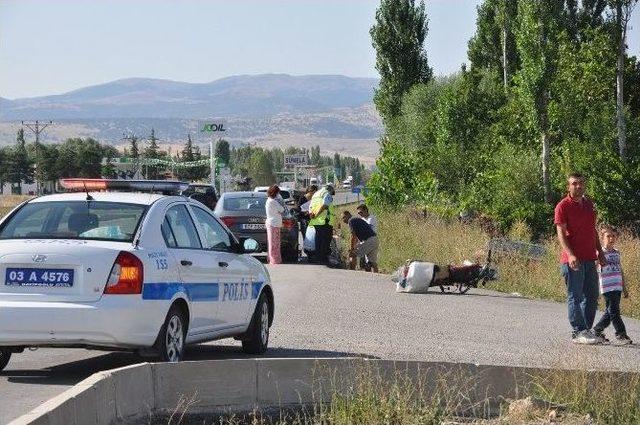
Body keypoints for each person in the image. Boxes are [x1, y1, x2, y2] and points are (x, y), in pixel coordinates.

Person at [554, 172, 607, 345]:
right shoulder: (562, 206)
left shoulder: (589, 204)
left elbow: (593, 231)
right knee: (575, 296)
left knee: (592, 295)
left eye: (581, 183)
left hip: (590, 258)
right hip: (573, 260)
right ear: (568, 186)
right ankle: (578, 331)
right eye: (575, 183)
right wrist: (570, 254)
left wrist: (601, 252)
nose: (579, 186)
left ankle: (586, 329)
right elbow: (561, 233)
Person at [593, 225, 632, 344]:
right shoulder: (599, 253)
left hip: (617, 286)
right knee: (614, 311)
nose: (611, 238)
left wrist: (624, 287)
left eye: (613, 236)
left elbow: (620, 270)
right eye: (608, 236)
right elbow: (594, 269)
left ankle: (597, 330)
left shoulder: (617, 252)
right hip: (607, 286)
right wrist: (594, 288)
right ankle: (621, 334)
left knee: (610, 311)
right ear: (602, 238)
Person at [308, 184, 335, 264]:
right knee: (325, 240)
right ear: (330, 189)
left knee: (318, 239)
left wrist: (312, 214)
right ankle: (323, 259)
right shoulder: (327, 193)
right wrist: (317, 214)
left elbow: (310, 207)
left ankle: (318, 258)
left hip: (316, 221)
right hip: (324, 220)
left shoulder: (316, 194)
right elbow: (325, 205)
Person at [265, 185, 285, 265]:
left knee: (273, 243)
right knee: (274, 243)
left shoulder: (269, 200)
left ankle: (273, 259)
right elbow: (282, 209)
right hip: (273, 224)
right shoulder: (273, 201)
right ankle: (274, 260)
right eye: (277, 193)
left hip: (273, 223)